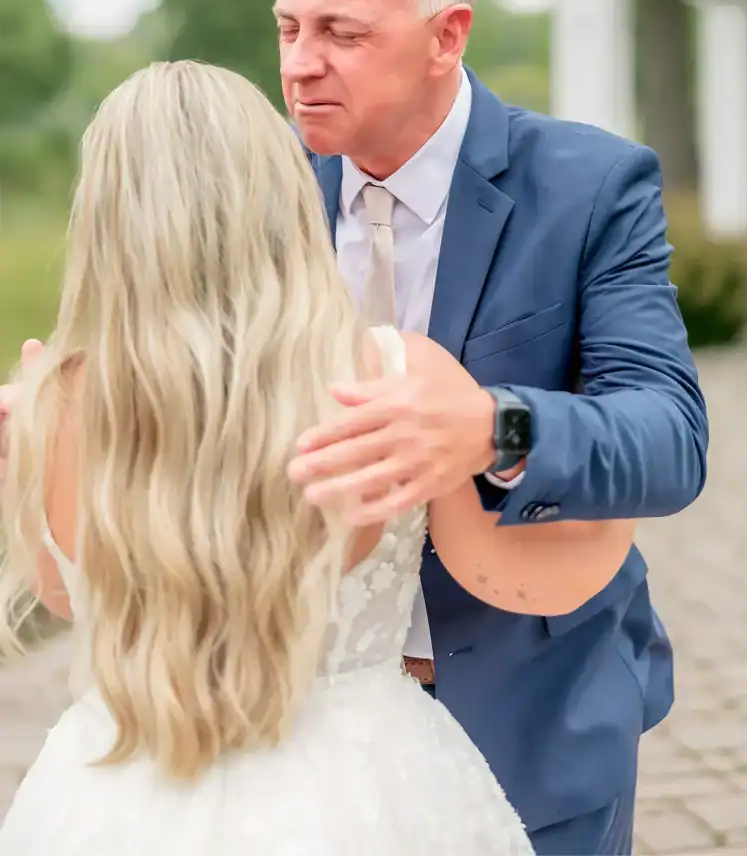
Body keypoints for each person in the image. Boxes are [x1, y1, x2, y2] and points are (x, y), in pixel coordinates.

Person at [0, 60, 637, 854]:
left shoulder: (49, 400)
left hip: (116, 788)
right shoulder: (396, 373)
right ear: (279, 194)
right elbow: (506, 572)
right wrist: (517, 430)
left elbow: (64, 600)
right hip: (361, 790)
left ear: (102, 218)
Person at [275, 0, 710, 856]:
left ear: (446, 35)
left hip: (532, 720)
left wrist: (491, 430)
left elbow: (668, 439)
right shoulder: (264, 199)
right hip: (305, 729)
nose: (300, 64)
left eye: (341, 31)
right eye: (289, 26)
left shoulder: (591, 186)